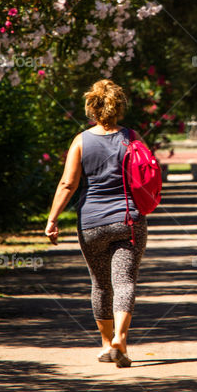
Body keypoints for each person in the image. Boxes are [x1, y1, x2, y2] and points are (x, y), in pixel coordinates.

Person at [44, 79, 146, 368]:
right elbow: (148, 173)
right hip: (128, 219)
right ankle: (121, 340)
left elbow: (67, 184)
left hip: (91, 223)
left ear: (92, 107)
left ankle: (105, 343)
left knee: (101, 284)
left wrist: (52, 219)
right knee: (124, 281)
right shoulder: (133, 138)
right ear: (119, 106)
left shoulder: (81, 141)